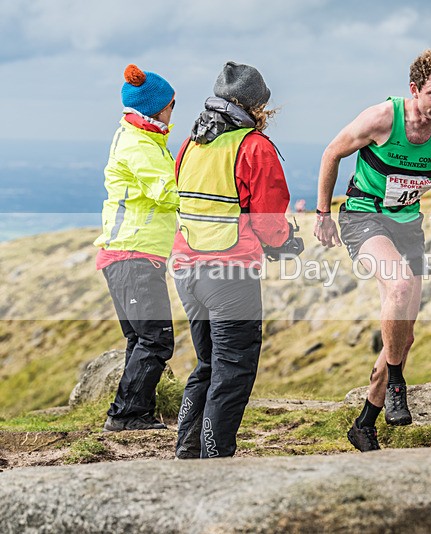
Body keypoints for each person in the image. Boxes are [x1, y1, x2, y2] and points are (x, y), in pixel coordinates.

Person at [314, 49, 431, 452]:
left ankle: (365, 425)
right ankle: (396, 382)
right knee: (399, 286)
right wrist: (322, 213)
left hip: (408, 224)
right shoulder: (381, 118)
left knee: (403, 338)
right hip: (363, 217)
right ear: (414, 89)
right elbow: (331, 153)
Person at [171, 61, 299, 459]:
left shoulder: (192, 143)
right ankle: (217, 456)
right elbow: (269, 218)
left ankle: (188, 449)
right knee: (234, 368)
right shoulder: (253, 146)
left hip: (186, 271)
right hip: (228, 274)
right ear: (257, 106)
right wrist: (286, 242)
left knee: (208, 363)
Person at [94, 64, 178, 432]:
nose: (174, 110)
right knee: (156, 339)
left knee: (141, 339)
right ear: (157, 107)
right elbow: (168, 193)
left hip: (135, 255)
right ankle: (126, 415)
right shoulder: (138, 144)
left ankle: (135, 410)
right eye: (172, 104)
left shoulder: (141, 138)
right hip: (133, 255)